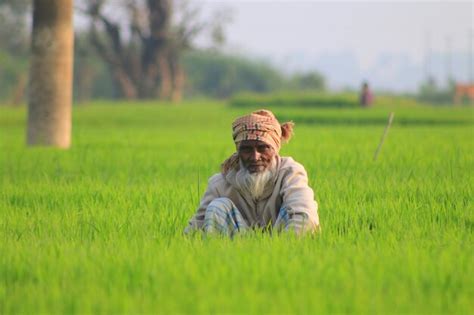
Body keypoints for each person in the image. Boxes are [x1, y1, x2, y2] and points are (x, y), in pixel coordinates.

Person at [184, 109, 320, 237]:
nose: (255, 157)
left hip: (283, 248)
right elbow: (197, 227)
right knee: (216, 207)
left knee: (297, 213)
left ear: (275, 149)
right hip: (236, 253)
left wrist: (278, 253)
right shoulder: (220, 183)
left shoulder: (290, 172)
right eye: (247, 149)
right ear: (238, 151)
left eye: (263, 148)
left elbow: (305, 216)